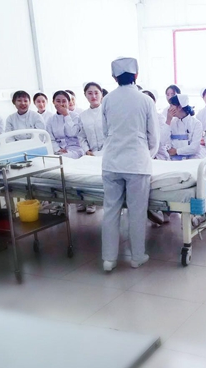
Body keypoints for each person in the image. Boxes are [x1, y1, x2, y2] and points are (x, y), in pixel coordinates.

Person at [101, 57, 159, 271]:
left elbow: (105, 131)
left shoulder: (107, 100)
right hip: (136, 163)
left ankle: (108, 259)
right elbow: (154, 136)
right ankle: (137, 256)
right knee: (137, 211)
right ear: (136, 75)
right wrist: (147, 154)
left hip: (111, 162)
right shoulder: (145, 100)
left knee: (110, 211)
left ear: (114, 77)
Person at [76, 82, 106, 214]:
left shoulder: (107, 112)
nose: (93, 96)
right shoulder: (83, 115)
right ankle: (87, 200)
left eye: (96, 93)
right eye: (90, 93)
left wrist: (100, 153)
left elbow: (113, 134)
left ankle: (97, 201)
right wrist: (86, 150)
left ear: (101, 94)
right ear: (85, 95)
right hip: (90, 153)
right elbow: (81, 136)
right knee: (85, 175)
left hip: (107, 152)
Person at [165, 94, 204, 160]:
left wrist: (176, 151)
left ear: (180, 107)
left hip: (192, 159)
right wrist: (168, 120)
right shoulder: (172, 122)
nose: (169, 109)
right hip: (173, 160)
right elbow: (164, 141)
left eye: (171, 105)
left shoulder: (196, 123)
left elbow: (194, 147)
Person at [46, 91, 84, 159]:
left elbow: (72, 133)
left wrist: (66, 115)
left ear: (68, 103)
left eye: (64, 101)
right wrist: (58, 149)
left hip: (75, 149)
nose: (61, 104)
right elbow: (50, 139)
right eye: (58, 101)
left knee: (64, 158)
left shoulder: (75, 116)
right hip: (58, 151)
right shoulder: (50, 120)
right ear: (53, 102)